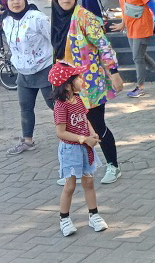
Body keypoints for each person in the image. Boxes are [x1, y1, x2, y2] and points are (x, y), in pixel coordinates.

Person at [51, 0, 124, 184]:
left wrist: (114, 71)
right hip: (67, 86)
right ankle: (76, 170)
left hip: (89, 83)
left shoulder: (84, 17)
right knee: (73, 128)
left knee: (96, 124)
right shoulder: (56, 19)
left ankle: (113, 166)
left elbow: (103, 45)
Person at [49, 61, 108, 237]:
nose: (83, 80)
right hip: (71, 150)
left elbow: (85, 119)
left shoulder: (79, 100)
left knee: (88, 182)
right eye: (79, 78)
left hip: (84, 148)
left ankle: (94, 215)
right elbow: (61, 132)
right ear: (67, 84)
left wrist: (92, 133)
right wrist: (84, 139)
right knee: (70, 185)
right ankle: (64, 218)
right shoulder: (61, 106)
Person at [4, 0, 55, 155]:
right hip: (23, 72)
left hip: (44, 68)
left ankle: (74, 134)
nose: (15, 2)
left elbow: (54, 39)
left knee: (55, 105)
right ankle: (28, 141)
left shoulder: (37, 18)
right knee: (25, 107)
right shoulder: (6, 21)